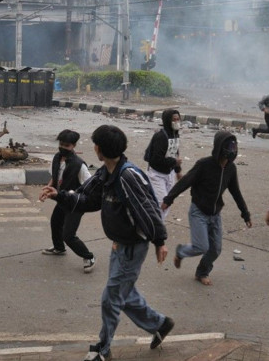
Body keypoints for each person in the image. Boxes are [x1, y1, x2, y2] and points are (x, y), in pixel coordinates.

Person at [39, 125, 174, 361]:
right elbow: (87, 197)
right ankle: (160, 324)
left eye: (95, 144)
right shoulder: (106, 173)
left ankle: (103, 348)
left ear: (99, 148)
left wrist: (160, 241)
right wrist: (58, 195)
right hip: (120, 245)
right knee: (124, 294)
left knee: (110, 298)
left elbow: (149, 210)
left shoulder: (128, 176)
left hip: (133, 247)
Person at [162, 131, 252, 286]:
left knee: (215, 249)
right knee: (201, 246)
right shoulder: (204, 165)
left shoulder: (231, 169)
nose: (231, 150)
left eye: (234, 146)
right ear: (219, 148)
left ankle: (202, 272)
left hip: (215, 214)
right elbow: (186, 182)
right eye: (228, 147)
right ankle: (181, 252)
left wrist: (245, 214)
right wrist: (169, 198)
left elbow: (236, 192)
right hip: (199, 212)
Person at [41, 129, 95, 273]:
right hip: (62, 199)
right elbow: (55, 176)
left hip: (75, 203)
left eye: (67, 145)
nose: (63, 148)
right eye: (61, 144)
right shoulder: (57, 158)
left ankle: (89, 257)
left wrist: (76, 194)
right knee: (55, 223)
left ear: (74, 146)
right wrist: (48, 189)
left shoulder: (79, 164)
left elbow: (89, 184)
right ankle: (59, 248)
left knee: (68, 235)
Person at [144, 109, 182, 221]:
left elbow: (175, 152)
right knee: (162, 202)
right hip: (156, 174)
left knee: (168, 202)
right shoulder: (160, 137)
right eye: (173, 120)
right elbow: (155, 160)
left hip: (169, 174)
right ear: (167, 121)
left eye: (178, 119)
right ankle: (156, 226)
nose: (176, 122)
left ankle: (158, 223)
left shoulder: (175, 135)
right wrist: (174, 162)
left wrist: (178, 170)